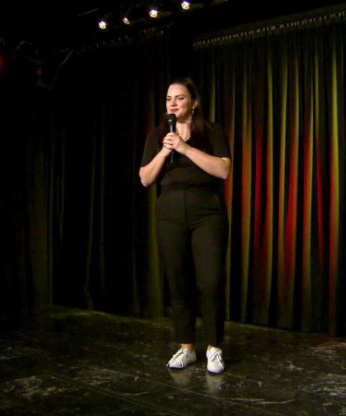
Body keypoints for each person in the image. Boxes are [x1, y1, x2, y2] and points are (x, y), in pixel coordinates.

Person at [139, 77, 232, 374]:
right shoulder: (157, 136)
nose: (173, 103)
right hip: (170, 213)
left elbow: (223, 170)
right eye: (169, 99)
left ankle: (214, 347)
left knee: (210, 282)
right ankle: (187, 347)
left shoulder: (211, 131)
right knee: (179, 282)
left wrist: (185, 147)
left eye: (179, 98)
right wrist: (165, 150)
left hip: (207, 213)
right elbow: (145, 178)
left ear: (194, 103)